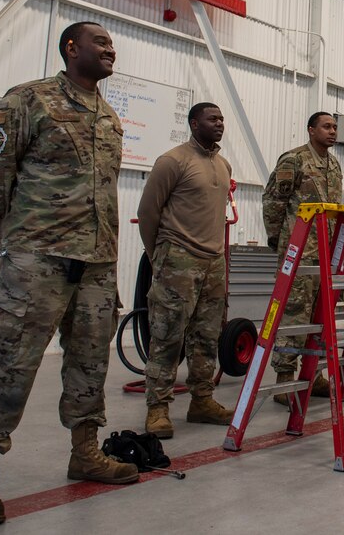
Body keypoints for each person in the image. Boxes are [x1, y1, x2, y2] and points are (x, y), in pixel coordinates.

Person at [0, 21, 137, 528]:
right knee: (9, 365)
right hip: (36, 259)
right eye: (101, 42)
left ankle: (85, 452)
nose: (110, 49)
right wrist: (14, 233)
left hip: (97, 262)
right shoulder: (28, 100)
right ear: (71, 47)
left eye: (112, 43)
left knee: (89, 365)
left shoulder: (109, 116)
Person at [137, 103, 235, 439]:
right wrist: (159, 257)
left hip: (214, 261)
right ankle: (158, 407)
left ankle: (202, 401)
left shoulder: (223, 165)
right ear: (194, 124)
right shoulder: (172, 161)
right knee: (166, 337)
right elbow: (148, 212)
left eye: (222, 119)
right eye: (212, 119)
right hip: (178, 258)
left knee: (207, 337)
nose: (219, 123)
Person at [262, 112, 342, 400]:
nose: (332, 131)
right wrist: (279, 241)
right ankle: (285, 378)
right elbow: (273, 202)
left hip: (325, 253)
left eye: (334, 127)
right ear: (311, 130)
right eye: (326, 126)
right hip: (299, 252)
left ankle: (314, 374)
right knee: (293, 313)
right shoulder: (293, 160)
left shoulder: (334, 165)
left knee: (321, 315)